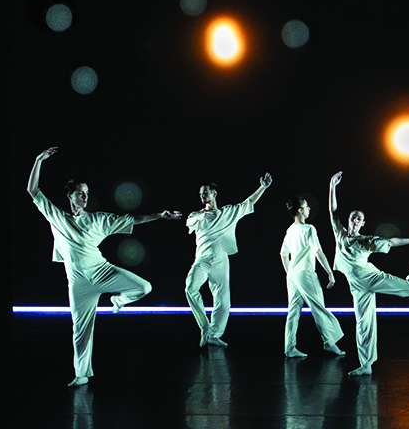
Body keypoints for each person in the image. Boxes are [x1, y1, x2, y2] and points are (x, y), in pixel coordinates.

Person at [26, 146, 182, 387]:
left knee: (144, 286)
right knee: (80, 330)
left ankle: (119, 301)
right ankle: (81, 374)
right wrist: (38, 160)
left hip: (103, 272)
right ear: (70, 196)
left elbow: (133, 219)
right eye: (80, 193)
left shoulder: (98, 219)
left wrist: (160, 215)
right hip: (78, 283)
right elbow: (33, 190)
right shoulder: (57, 217)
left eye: (87, 193)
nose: (85, 197)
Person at [329, 171, 409, 376]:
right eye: (353, 218)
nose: (356, 221)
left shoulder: (366, 240)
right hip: (356, 286)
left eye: (359, 219)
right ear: (349, 220)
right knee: (363, 325)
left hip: (372, 278)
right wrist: (332, 186)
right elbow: (333, 212)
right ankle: (366, 365)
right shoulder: (339, 234)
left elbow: (391, 242)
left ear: (363, 223)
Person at [184, 173, 273, 348]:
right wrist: (201, 217)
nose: (202, 195)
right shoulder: (197, 214)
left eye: (206, 192)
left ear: (214, 194)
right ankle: (205, 328)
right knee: (190, 288)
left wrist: (262, 187)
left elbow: (248, 203)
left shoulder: (228, 212)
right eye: (201, 193)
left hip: (221, 259)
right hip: (202, 259)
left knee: (223, 300)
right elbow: (189, 221)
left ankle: (214, 335)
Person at [280, 195, 345, 358]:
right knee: (319, 308)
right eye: (307, 206)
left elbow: (283, 254)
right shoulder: (309, 229)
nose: (309, 209)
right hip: (306, 274)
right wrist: (330, 272)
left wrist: (290, 272)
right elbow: (318, 251)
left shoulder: (290, 229)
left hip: (293, 275)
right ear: (300, 210)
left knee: (293, 311)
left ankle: (289, 347)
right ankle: (329, 343)